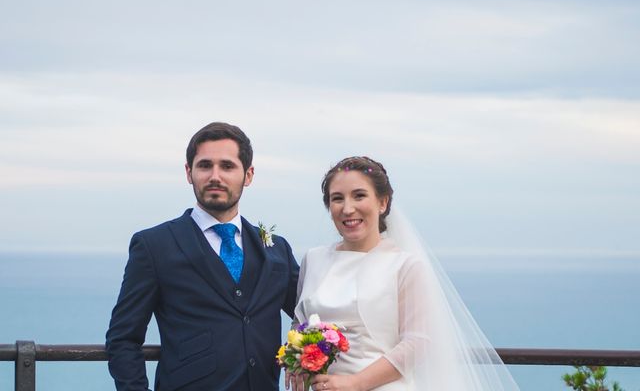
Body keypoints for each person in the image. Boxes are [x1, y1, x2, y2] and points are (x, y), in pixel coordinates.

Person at [290, 156, 520, 391]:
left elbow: (417, 343)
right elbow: (300, 323)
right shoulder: (313, 259)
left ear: (382, 202)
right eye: (337, 199)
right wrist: (296, 361)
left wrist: (355, 383)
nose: (348, 208)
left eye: (359, 195)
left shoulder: (404, 266)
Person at [106, 122, 299, 391]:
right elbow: (123, 338)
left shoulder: (277, 250)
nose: (215, 176)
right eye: (205, 165)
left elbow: (316, 314)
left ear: (249, 175)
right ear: (189, 172)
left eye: (227, 166)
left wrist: (306, 358)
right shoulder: (153, 246)